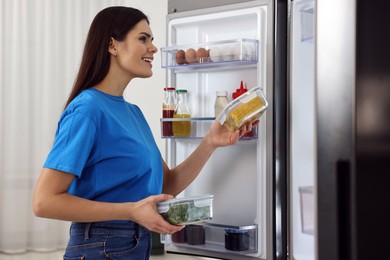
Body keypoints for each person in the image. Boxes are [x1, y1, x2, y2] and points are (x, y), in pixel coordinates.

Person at [32, 6, 258, 260]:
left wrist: (210, 142)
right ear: (112, 45)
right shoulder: (88, 110)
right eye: (143, 39)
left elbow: (166, 185)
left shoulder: (133, 113)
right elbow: (44, 201)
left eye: (152, 40)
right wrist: (131, 210)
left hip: (135, 244)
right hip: (100, 245)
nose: (153, 48)